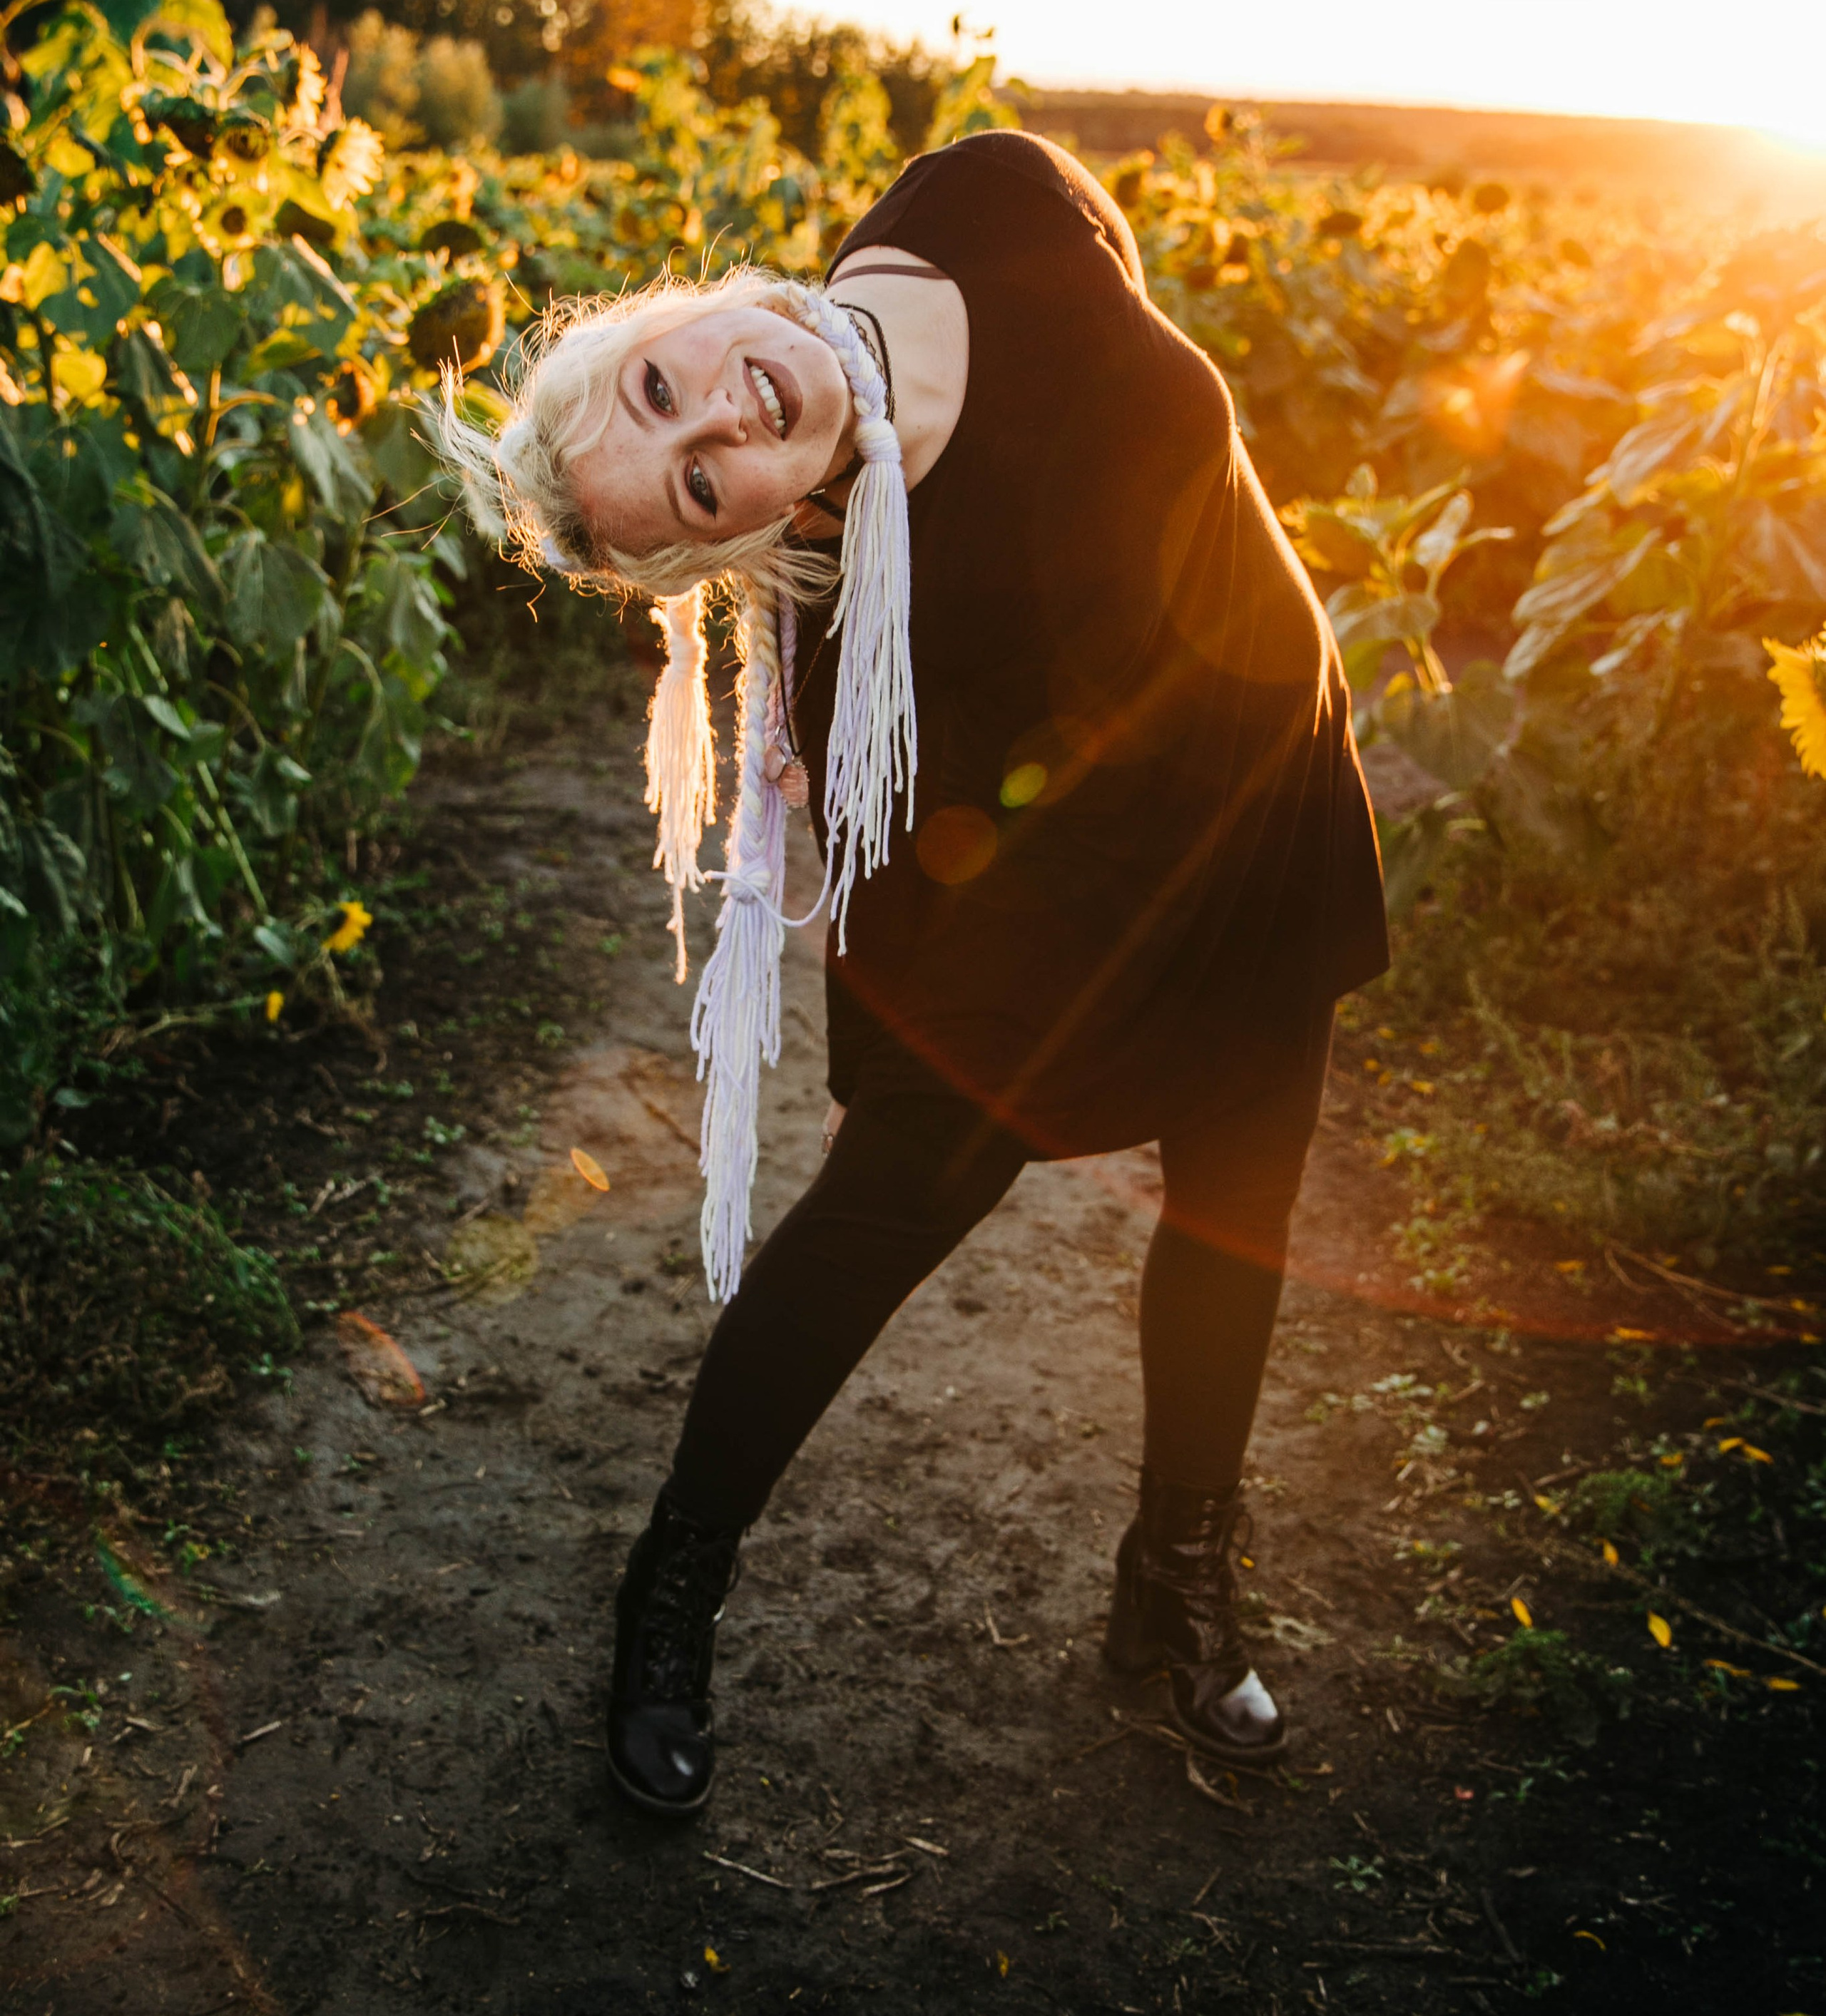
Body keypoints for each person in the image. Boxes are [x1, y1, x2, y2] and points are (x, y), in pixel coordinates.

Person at [440, 131, 1387, 1818]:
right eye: (699, 485)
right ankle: (673, 1588)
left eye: (661, 382)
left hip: (1263, 809)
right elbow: (949, 737)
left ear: (673, 311)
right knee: (877, 1216)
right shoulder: (872, 565)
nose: (722, 420)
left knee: (1238, 1219)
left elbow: (1110, 303)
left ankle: (1171, 1582)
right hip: (1072, 878)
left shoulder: (976, 196)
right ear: (751, 535)